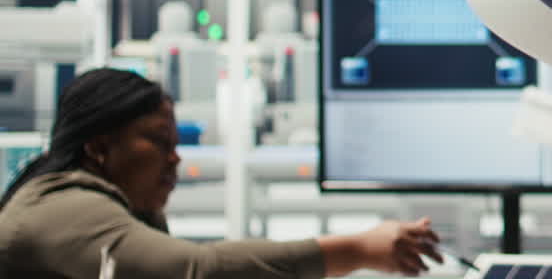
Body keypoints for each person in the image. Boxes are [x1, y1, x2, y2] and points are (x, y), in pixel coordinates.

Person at [0, 68, 444, 278]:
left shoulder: (105, 208)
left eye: (177, 145)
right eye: (159, 142)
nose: (174, 159)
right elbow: (198, 271)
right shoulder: (63, 207)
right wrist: (359, 248)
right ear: (98, 147)